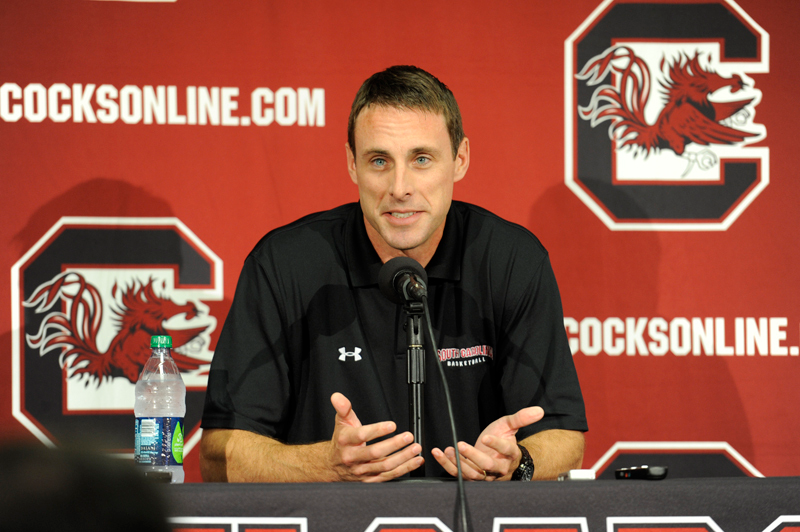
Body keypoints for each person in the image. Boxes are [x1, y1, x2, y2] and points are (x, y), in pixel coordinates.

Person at [200, 65, 587, 482]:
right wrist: (323, 466)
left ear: (460, 160)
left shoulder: (512, 260)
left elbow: (564, 435)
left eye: (421, 159)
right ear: (352, 165)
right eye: (379, 160)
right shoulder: (283, 264)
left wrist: (518, 463)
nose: (399, 187)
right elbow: (218, 454)